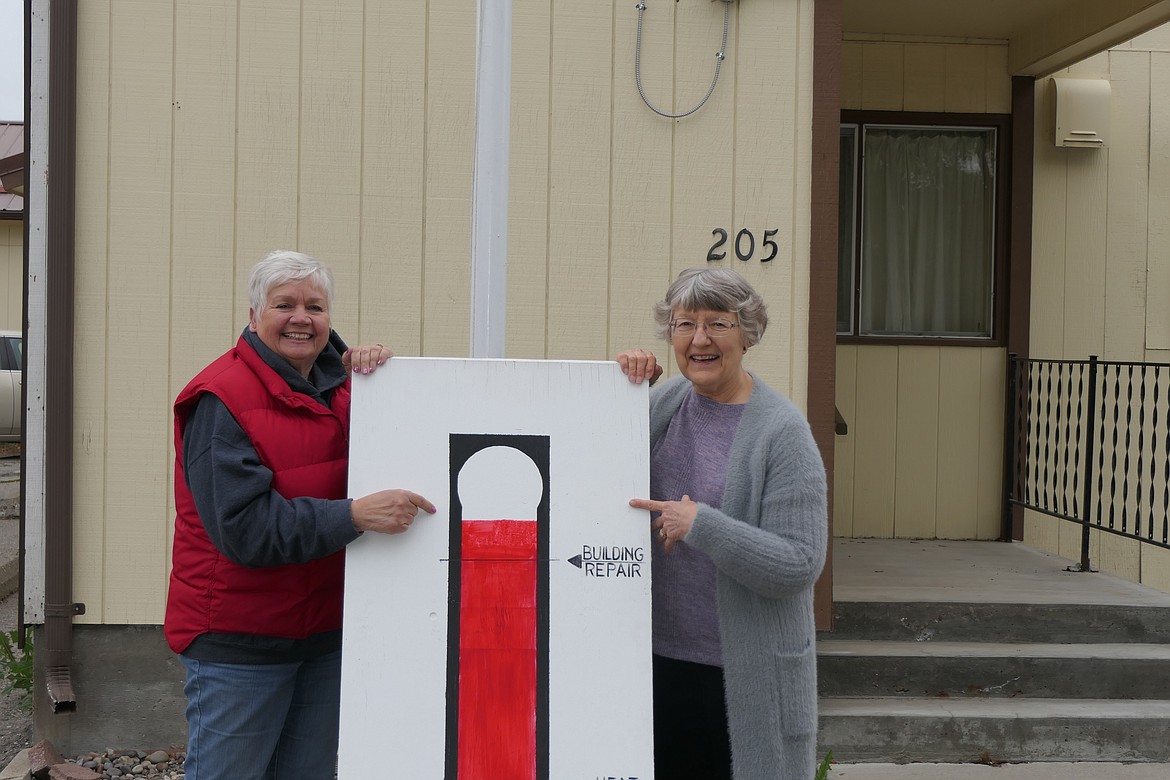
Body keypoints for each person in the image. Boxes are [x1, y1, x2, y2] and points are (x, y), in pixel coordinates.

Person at [164, 249, 436, 780]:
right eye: (283, 304)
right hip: (240, 641)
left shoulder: (351, 387)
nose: (301, 318)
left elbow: (411, 443)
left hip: (326, 635)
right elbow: (246, 531)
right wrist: (354, 516)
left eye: (315, 306)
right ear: (252, 316)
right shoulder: (222, 399)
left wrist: (387, 376)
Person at [618, 267, 827, 780]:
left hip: (742, 676)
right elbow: (589, 466)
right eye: (685, 324)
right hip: (658, 664)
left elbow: (799, 563)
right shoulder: (659, 406)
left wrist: (701, 525)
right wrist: (617, 388)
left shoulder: (782, 432)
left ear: (747, 334)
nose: (700, 339)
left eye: (719, 323)